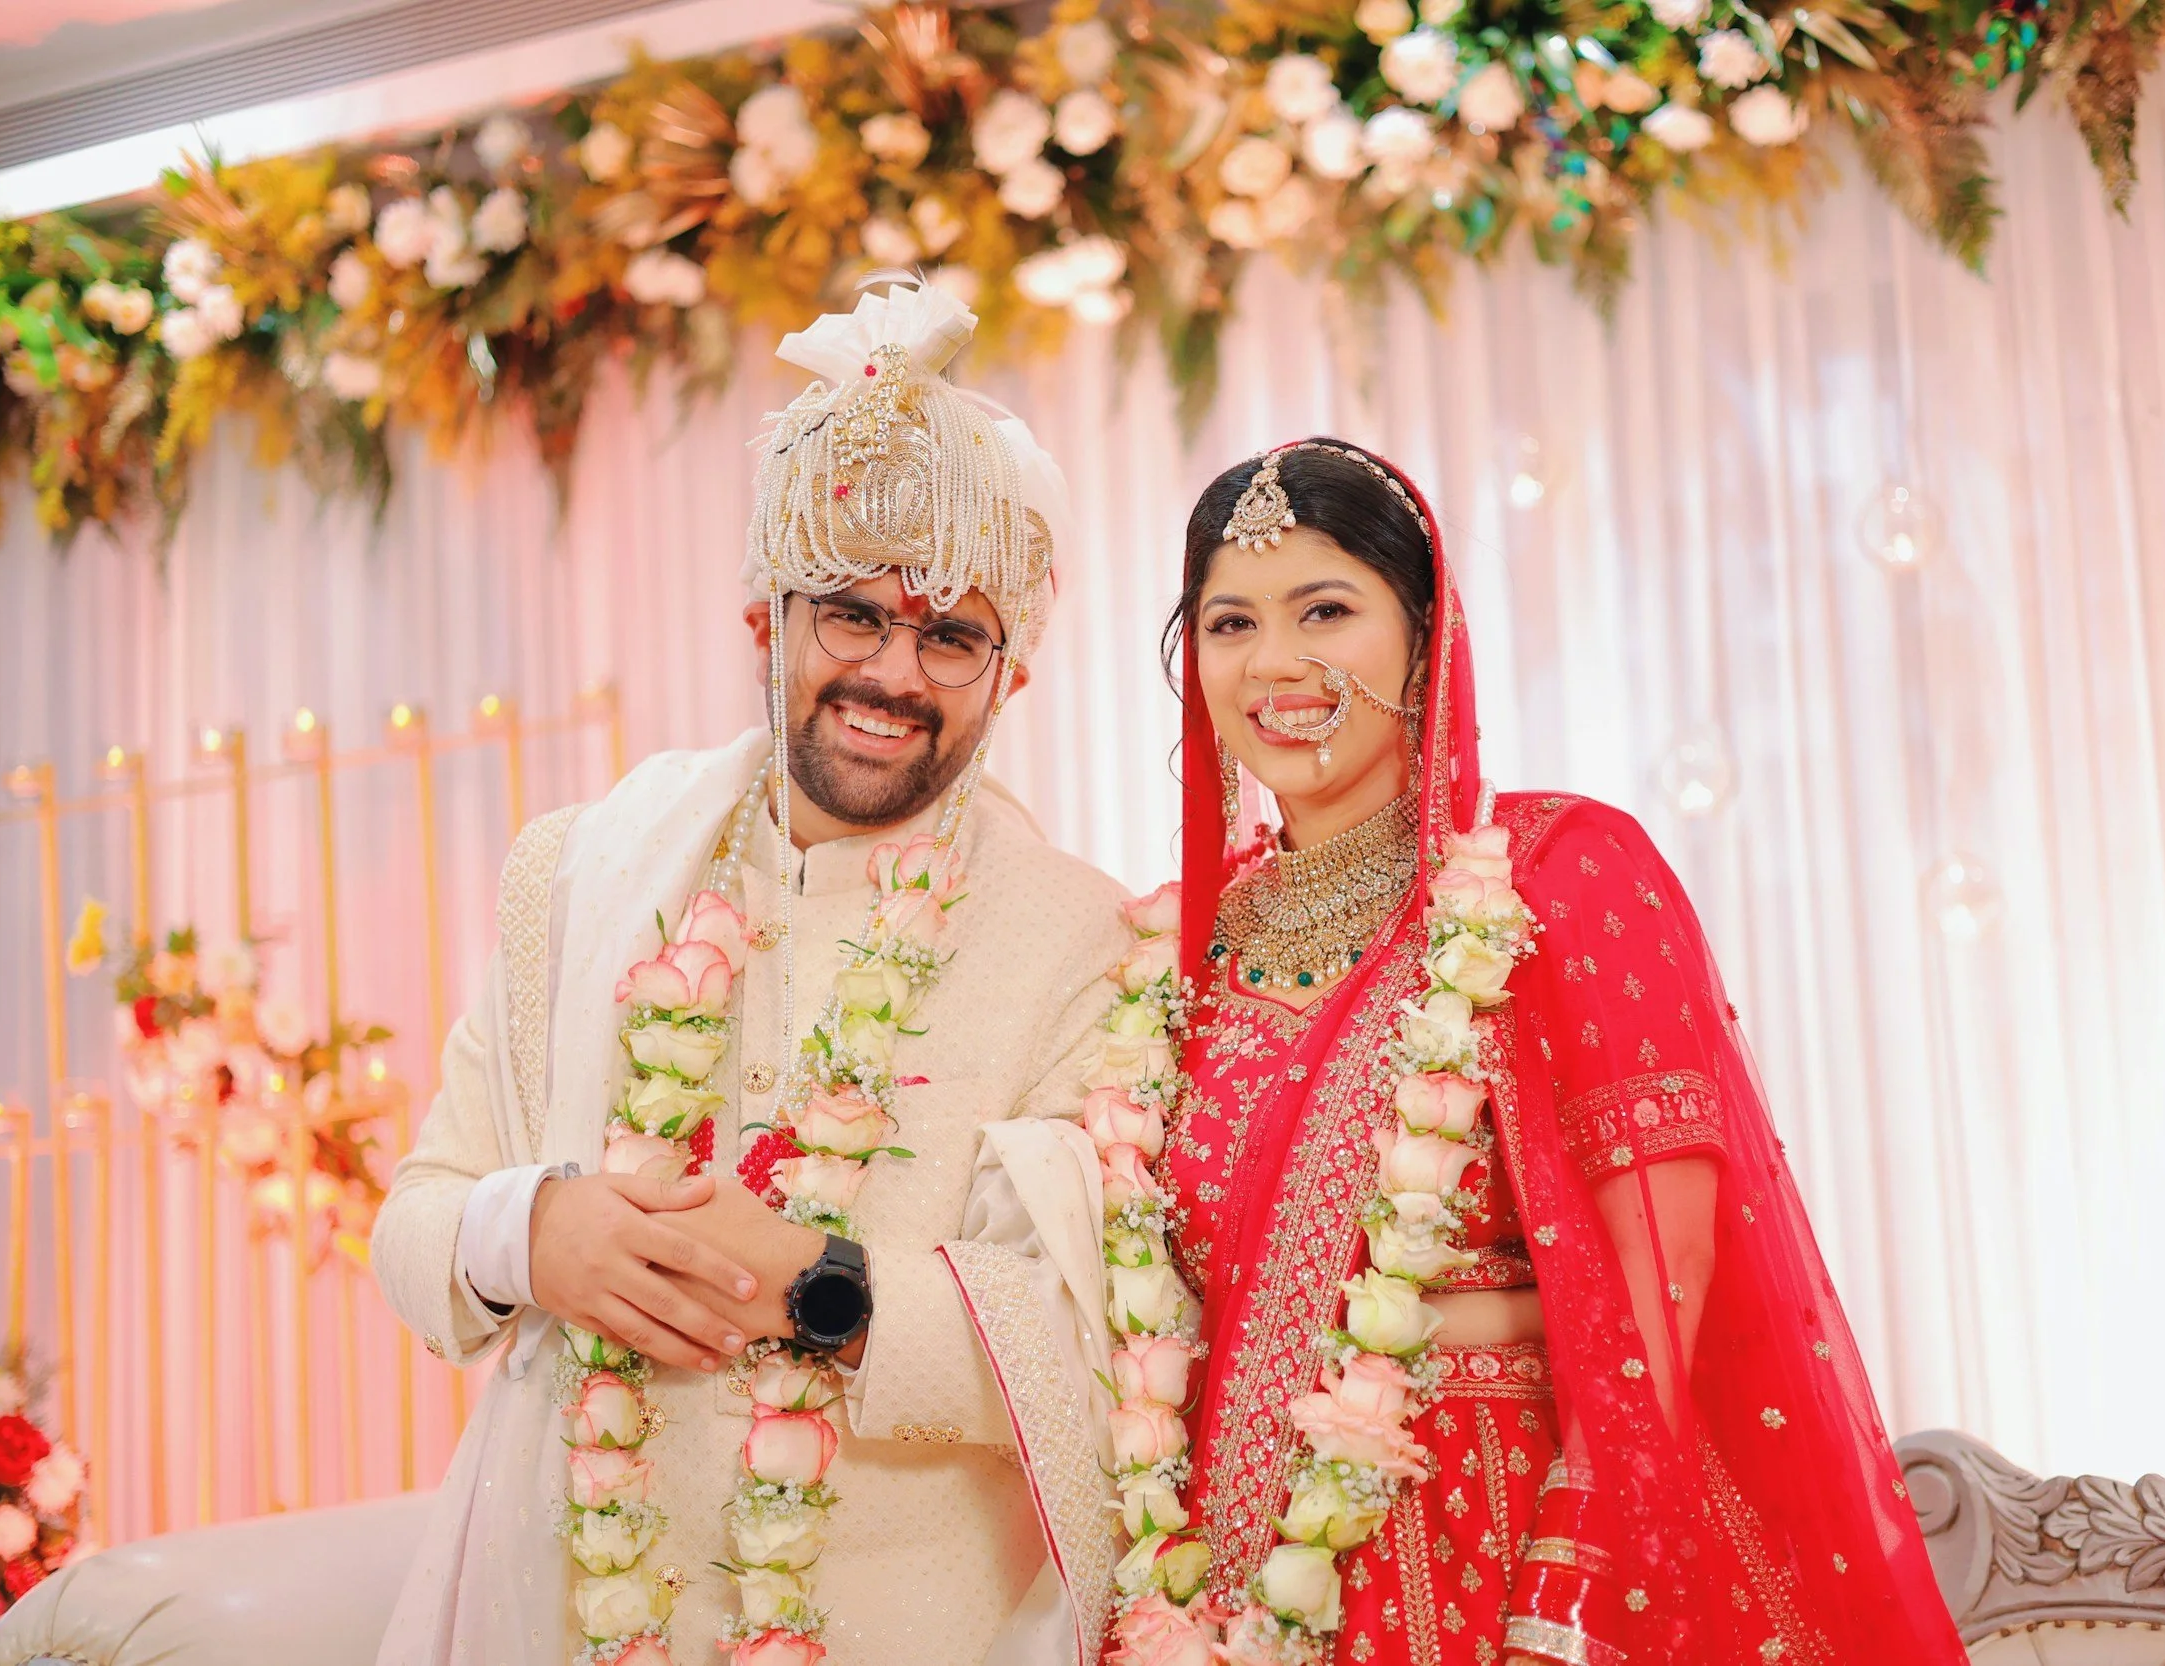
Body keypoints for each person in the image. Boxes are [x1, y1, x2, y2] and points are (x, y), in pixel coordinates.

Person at [985, 440, 1967, 1666]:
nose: (1276, 662)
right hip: (1230, 1575)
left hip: (1496, 1553)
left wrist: (1573, 1572)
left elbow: (1665, 1264)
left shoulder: (1558, 874)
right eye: (1231, 622)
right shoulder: (1174, 956)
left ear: (1424, 633)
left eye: (1326, 610)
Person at [368, 278, 1135, 1666]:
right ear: (762, 619)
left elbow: (1084, 1349)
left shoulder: (1080, 940)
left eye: (951, 633)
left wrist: (813, 1281)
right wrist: (530, 1233)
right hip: (575, 1619)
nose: (892, 670)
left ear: (1008, 678)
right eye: (849, 614)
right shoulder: (579, 873)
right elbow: (415, 1221)